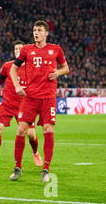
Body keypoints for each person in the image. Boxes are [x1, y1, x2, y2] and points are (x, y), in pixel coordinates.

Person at [9, 21, 69, 182]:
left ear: (46, 33)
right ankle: (17, 167)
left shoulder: (56, 49)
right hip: (30, 97)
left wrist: (58, 72)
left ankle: (46, 169)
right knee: (21, 130)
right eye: (34, 30)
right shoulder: (27, 50)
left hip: (48, 97)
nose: (36, 32)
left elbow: (66, 67)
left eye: (39, 30)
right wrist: (16, 85)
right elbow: (13, 68)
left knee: (48, 129)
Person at [0, 40, 42, 168]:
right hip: (7, 105)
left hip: (25, 106)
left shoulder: (32, 68)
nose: (18, 51)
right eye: (16, 49)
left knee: (31, 135)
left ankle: (36, 153)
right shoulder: (7, 66)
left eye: (20, 49)